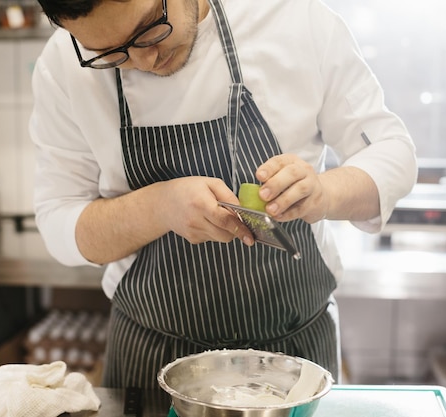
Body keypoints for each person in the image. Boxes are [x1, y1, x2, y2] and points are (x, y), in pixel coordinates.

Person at [30, 0, 418, 389]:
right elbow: (60, 222)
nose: (145, 60)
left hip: (295, 354)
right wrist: (159, 207)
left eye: (150, 27)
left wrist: (324, 192)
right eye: (111, 54)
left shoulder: (291, 18)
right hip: (151, 356)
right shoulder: (64, 65)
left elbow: (393, 153)